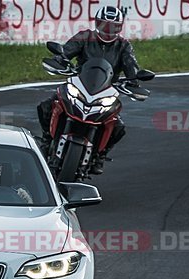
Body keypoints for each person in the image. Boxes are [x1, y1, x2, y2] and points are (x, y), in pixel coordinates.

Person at [37, 6, 142, 174]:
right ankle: (46, 139)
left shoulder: (123, 46)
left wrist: (135, 80)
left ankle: (100, 154)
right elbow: (67, 50)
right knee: (46, 106)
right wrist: (60, 58)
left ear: (120, 28)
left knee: (118, 126)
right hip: (80, 83)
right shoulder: (85, 37)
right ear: (96, 23)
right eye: (104, 25)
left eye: (113, 27)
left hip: (106, 90)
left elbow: (131, 66)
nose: (108, 30)